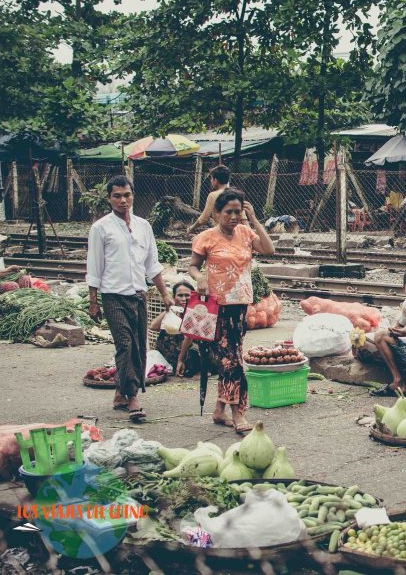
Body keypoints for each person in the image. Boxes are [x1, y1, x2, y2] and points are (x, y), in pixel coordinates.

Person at [188, 188, 276, 434]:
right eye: (229, 212)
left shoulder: (246, 233)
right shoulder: (206, 237)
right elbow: (192, 267)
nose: (234, 216)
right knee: (232, 362)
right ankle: (238, 413)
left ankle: (219, 410)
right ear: (216, 213)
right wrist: (201, 277)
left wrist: (255, 220)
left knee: (231, 358)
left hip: (240, 306)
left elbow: (269, 250)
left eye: (238, 211)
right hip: (215, 308)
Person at [86, 175, 173, 422]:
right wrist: (94, 300)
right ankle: (133, 396)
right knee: (125, 345)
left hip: (139, 295)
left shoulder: (144, 226)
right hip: (113, 296)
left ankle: (119, 393)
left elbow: (152, 265)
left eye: (127, 195)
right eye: (117, 196)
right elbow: (95, 266)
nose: (123, 200)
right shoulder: (101, 228)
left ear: (133, 196)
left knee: (139, 346)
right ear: (109, 198)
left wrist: (165, 293)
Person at [148, 280, 202, 377]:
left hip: (190, 352)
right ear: (174, 297)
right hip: (173, 353)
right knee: (165, 332)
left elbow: (188, 338)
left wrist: (181, 359)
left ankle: (184, 365)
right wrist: (170, 308)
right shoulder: (173, 313)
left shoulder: (197, 312)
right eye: (180, 295)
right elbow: (153, 326)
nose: (184, 299)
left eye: (187, 295)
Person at [185, 165, 231, 237]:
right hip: (235, 234)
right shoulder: (236, 194)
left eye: (211, 178)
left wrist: (191, 228)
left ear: (215, 180)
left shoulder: (213, 195)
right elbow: (243, 218)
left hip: (221, 234)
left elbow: (204, 219)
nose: (211, 181)